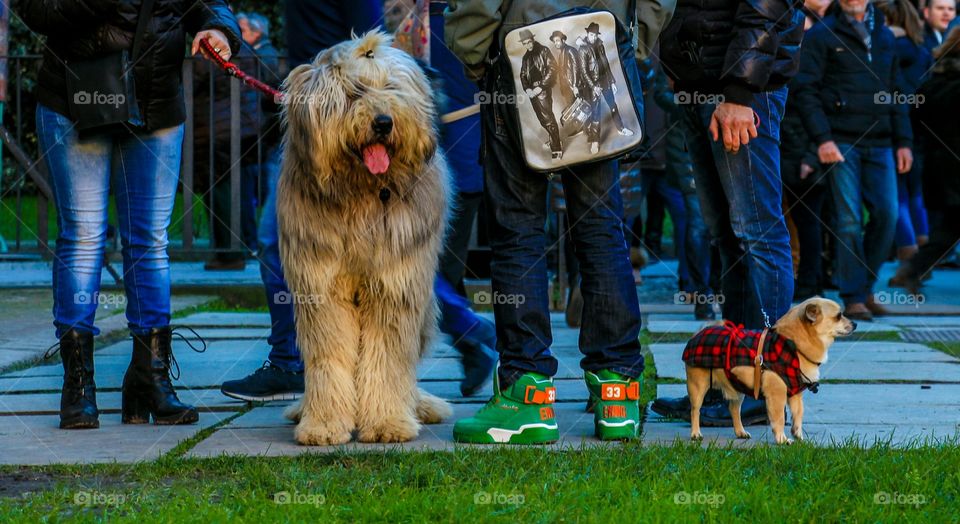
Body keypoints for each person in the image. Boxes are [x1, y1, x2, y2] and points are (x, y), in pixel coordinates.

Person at [445, 0, 673, 444]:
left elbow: (477, 5)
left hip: (521, 47)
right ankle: (617, 395)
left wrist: (477, 56)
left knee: (518, 230)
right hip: (603, 42)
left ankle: (525, 394)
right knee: (602, 226)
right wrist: (632, 39)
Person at [20, 0, 240, 429]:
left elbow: (209, 3)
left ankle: (150, 377)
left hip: (156, 102)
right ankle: (78, 386)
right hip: (75, 96)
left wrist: (219, 28)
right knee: (83, 237)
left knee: (150, 241)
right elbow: (37, 11)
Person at [220, 0, 383, 401]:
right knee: (277, 245)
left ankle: (300, 363)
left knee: (285, 243)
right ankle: (294, 361)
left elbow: (372, 50)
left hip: (344, 125)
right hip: (310, 127)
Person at [652, 0, 803, 426]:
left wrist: (739, 92)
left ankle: (768, 382)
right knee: (730, 237)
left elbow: (765, 10)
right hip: (701, 87)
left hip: (737, 93)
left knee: (757, 234)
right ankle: (734, 384)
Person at [793, 0, 914, 321]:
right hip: (840, 141)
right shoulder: (822, 35)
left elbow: (897, 90)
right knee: (847, 221)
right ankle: (853, 296)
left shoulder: (884, 35)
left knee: (887, 215)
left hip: (882, 140)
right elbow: (805, 90)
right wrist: (822, 139)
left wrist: (904, 141)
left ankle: (863, 286)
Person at [876, 0, 933, 288]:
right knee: (914, 195)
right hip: (920, 132)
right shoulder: (921, 49)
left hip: (896, 130)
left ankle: (910, 260)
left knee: (897, 197)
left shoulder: (888, 47)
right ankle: (922, 256)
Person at [193, 37, 261, 271]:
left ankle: (230, 252)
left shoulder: (213, 47)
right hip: (241, 126)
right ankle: (241, 246)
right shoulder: (243, 46)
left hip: (218, 129)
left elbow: (193, 79)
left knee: (220, 191)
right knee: (236, 189)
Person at [900, 27, 960, 293]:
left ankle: (912, 269)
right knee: (949, 229)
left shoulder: (932, 81)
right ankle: (912, 269)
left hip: (938, 164)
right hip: (953, 167)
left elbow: (916, 120)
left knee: (949, 228)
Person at [781, 0, 832, 302]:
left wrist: (811, 154)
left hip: (804, 148)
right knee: (790, 220)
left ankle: (810, 282)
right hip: (787, 144)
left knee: (808, 220)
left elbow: (814, 106)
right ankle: (804, 279)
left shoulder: (814, 52)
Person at [579, 22, 634, 155]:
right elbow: (583, 71)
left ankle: (621, 128)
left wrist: (612, 81)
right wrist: (593, 87)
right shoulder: (583, 49)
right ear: (587, 34)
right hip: (593, 85)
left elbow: (605, 64)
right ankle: (595, 140)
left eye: (595, 35)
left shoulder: (600, 45)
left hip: (604, 81)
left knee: (613, 105)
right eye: (591, 34)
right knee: (595, 112)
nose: (593, 37)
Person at [519, 30, 563, 160]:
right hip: (532, 91)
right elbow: (522, 75)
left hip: (542, 89)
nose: (529, 45)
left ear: (533, 39)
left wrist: (541, 86)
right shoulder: (525, 58)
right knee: (542, 119)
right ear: (523, 44)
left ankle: (556, 148)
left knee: (548, 119)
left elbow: (553, 68)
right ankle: (554, 138)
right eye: (525, 43)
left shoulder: (543, 50)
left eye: (530, 42)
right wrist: (527, 89)